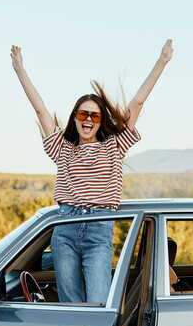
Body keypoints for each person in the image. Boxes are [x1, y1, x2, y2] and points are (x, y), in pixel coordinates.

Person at [10, 40, 173, 303]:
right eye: (83, 114)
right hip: (65, 226)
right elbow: (40, 109)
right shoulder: (61, 147)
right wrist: (20, 70)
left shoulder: (114, 145)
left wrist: (162, 61)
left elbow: (138, 102)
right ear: (75, 117)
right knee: (70, 304)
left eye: (95, 116)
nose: (88, 120)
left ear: (101, 121)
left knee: (99, 303)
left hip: (99, 228)